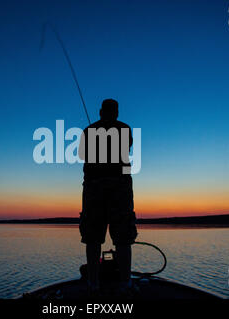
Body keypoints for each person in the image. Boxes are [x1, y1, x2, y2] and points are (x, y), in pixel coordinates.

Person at [78, 98, 138, 295]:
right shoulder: (126, 129)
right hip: (118, 189)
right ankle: (124, 283)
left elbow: (82, 155)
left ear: (101, 111)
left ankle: (94, 283)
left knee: (95, 238)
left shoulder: (89, 131)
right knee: (121, 238)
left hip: (98, 189)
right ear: (116, 112)